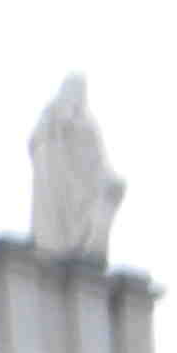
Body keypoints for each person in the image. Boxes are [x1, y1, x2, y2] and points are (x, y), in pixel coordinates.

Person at [27, 73, 125, 259]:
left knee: (85, 219)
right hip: (54, 181)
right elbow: (35, 144)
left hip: (81, 189)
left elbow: (98, 159)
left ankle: (78, 249)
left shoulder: (88, 125)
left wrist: (111, 178)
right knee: (53, 221)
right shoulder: (51, 115)